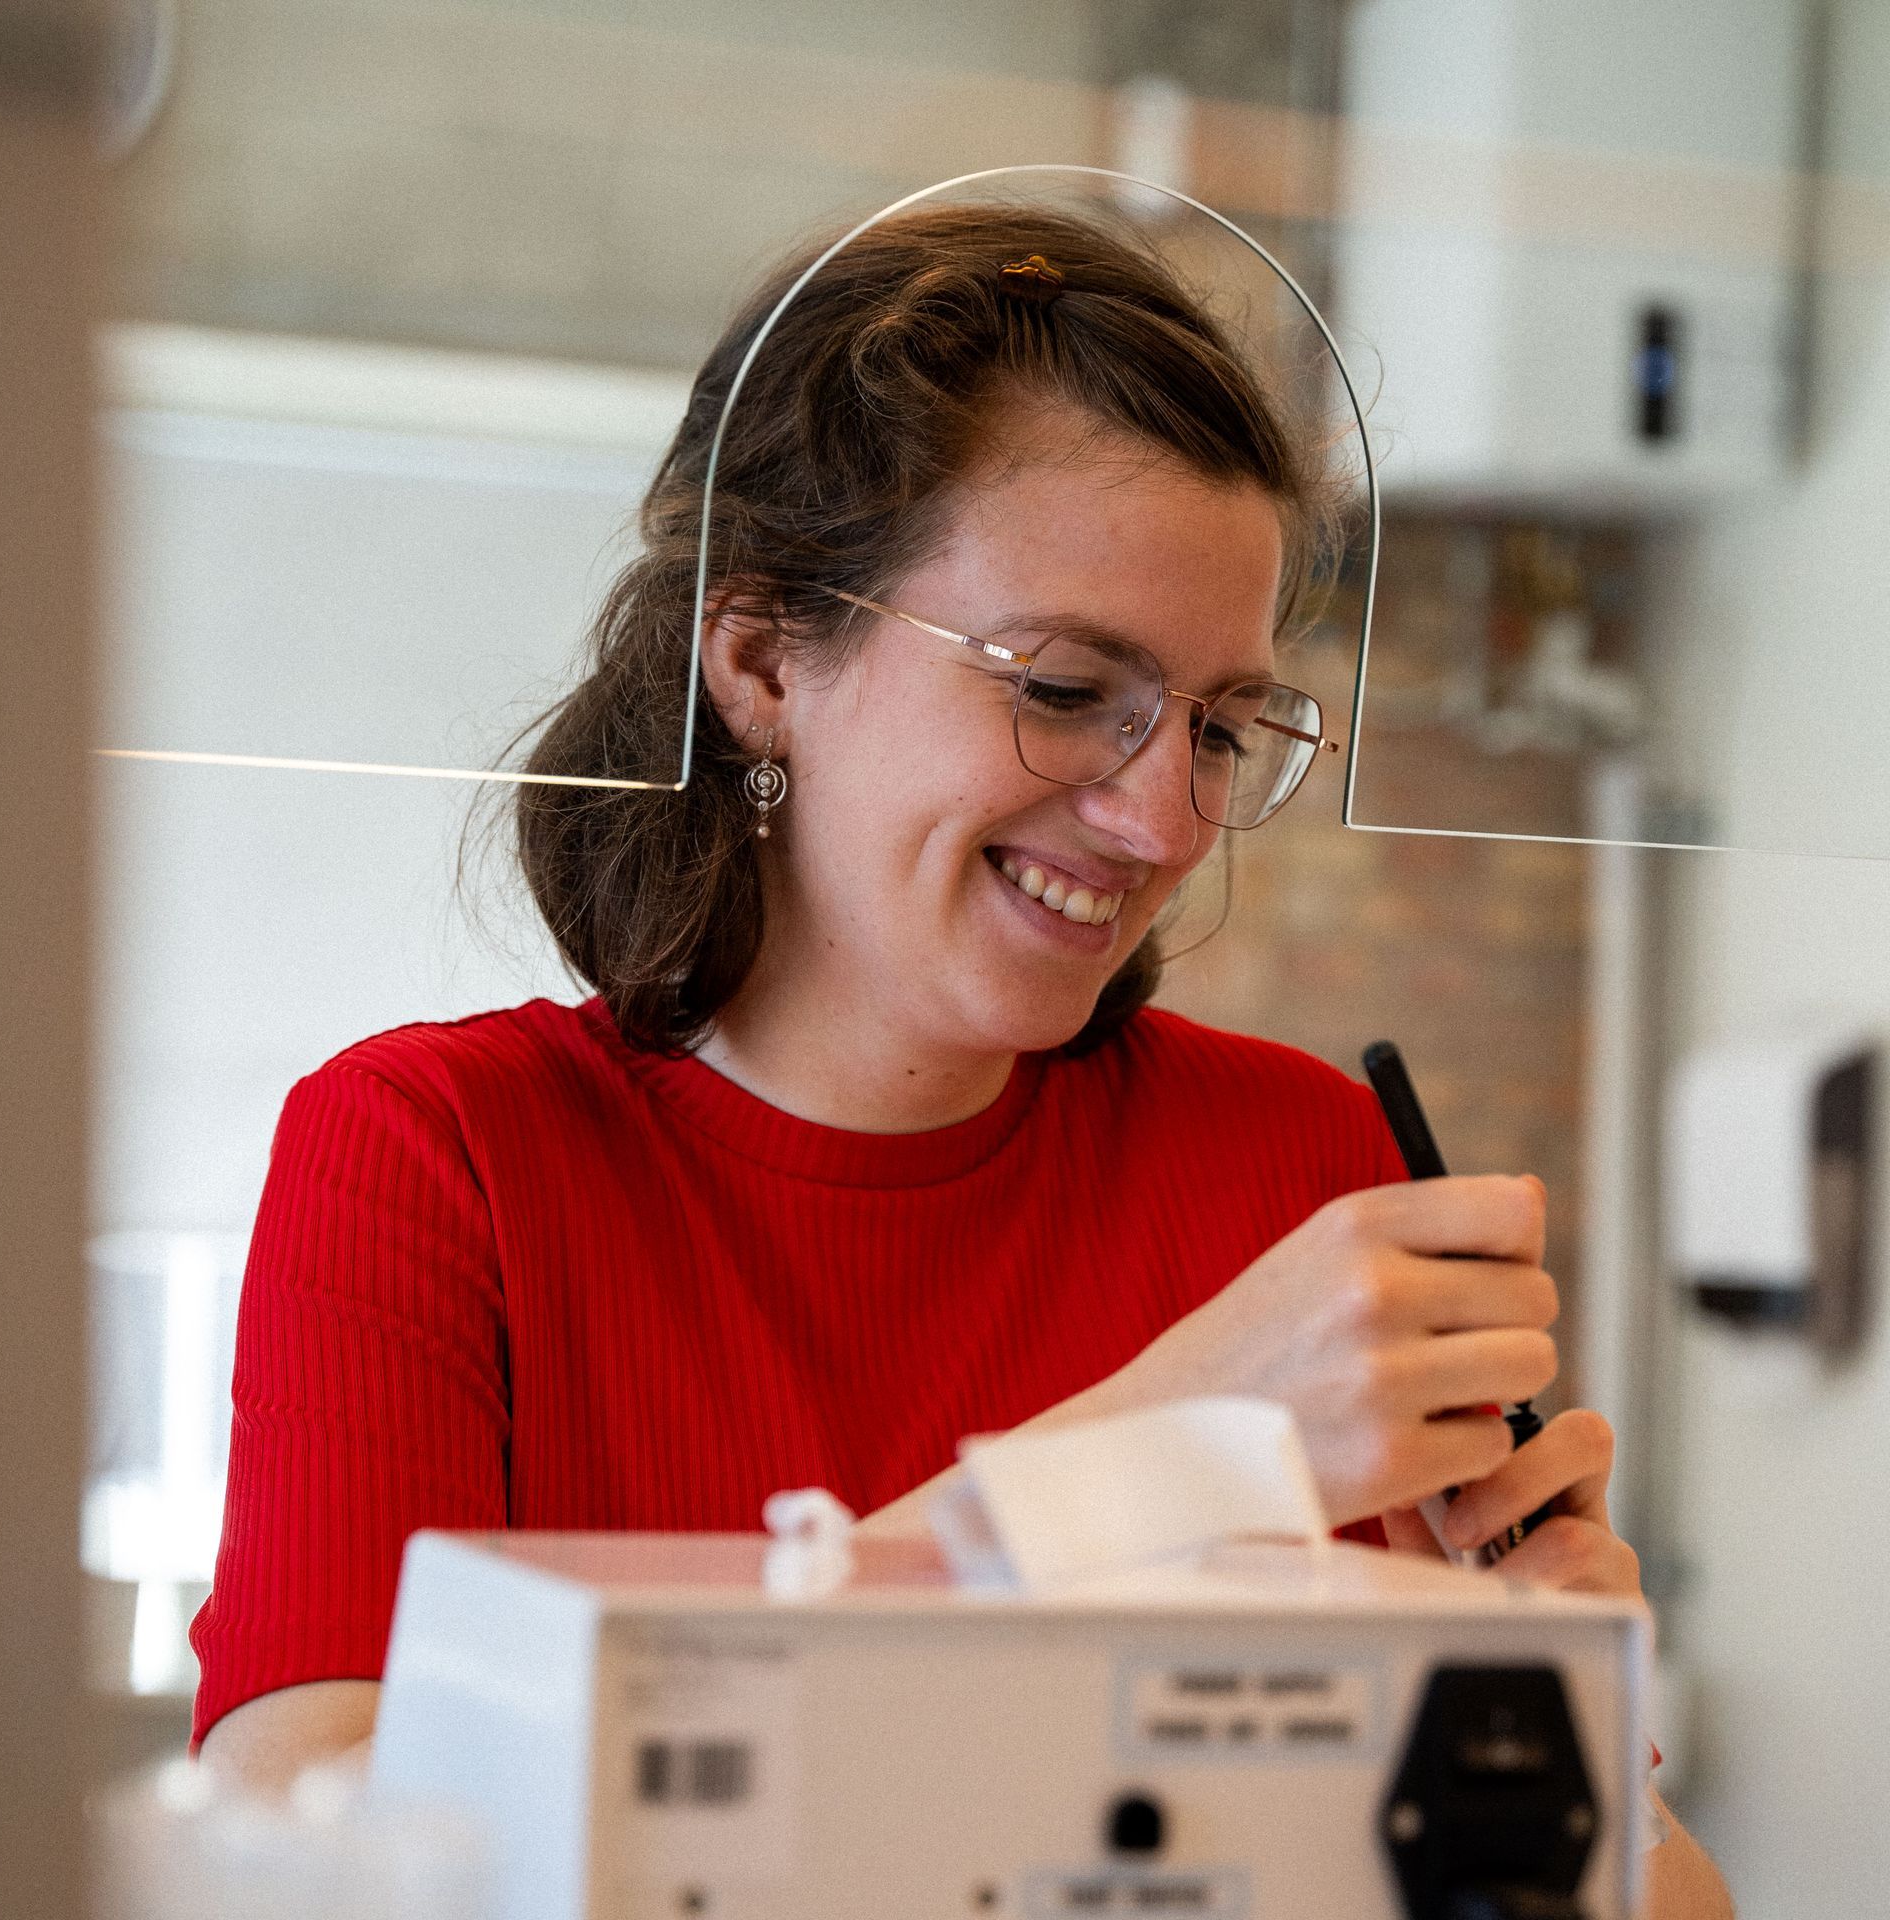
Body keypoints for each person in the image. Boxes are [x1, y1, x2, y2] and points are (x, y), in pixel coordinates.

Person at [192, 203, 1729, 1913]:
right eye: (1067, 690)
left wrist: (1577, 1750)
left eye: (1222, 728)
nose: (1165, 822)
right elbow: (306, 1863)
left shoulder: (1304, 1172)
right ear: (762, 656)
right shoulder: (439, 1158)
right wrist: (1156, 1461)